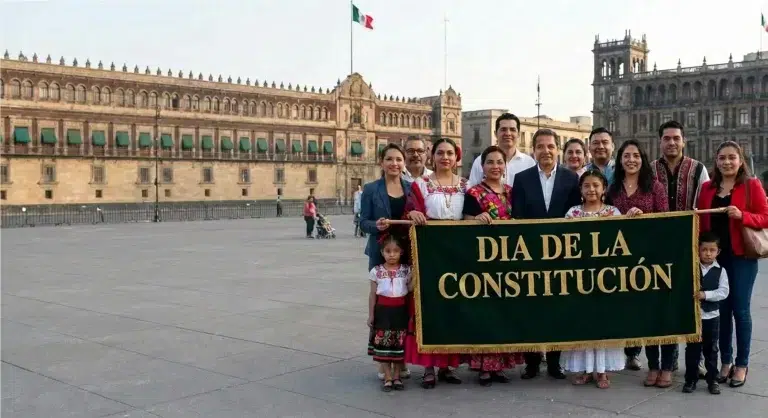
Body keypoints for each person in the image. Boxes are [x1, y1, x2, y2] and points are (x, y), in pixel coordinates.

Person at [696, 140, 768, 388]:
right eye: (722, 158)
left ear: (740, 161)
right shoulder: (707, 188)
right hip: (715, 258)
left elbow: (765, 217)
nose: (727, 162)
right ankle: (725, 361)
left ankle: (742, 363)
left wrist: (743, 215)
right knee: (721, 311)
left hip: (742, 257)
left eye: (732, 158)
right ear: (716, 161)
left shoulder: (751, 185)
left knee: (741, 310)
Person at [512, 128, 581, 380]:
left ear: (557, 149)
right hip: (530, 255)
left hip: (561, 256)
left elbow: (575, 214)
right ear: (534, 150)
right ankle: (531, 363)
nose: (546, 151)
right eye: (540, 146)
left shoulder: (571, 178)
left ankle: (555, 362)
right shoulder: (522, 179)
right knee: (531, 309)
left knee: (558, 310)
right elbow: (518, 217)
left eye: (550, 146)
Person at [605, 139, 671, 386]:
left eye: (636, 156)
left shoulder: (655, 187)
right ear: (620, 160)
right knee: (643, 317)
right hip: (624, 261)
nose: (631, 160)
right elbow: (606, 221)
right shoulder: (612, 189)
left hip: (652, 258)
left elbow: (666, 220)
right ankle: (652, 366)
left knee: (660, 314)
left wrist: (645, 217)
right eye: (626, 156)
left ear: (642, 160)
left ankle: (666, 367)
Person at [405, 137, 466, 388]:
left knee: (453, 309)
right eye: (440, 153)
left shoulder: (466, 185)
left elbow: (472, 213)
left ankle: (448, 366)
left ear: (456, 157)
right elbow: (409, 210)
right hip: (431, 254)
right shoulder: (421, 185)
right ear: (433, 157)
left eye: (449, 153)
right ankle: (429, 366)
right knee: (430, 309)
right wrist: (412, 213)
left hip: (458, 254)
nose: (445, 157)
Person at [461, 145, 525, 386]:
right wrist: (476, 219)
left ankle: (501, 366)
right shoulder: (474, 193)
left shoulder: (512, 192)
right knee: (485, 314)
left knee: (504, 315)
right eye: (490, 162)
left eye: (500, 162)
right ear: (482, 166)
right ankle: (483, 367)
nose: (495, 166)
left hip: (509, 262)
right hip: (483, 263)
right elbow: (465, 222)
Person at [650, 120, 709, 375]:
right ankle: (668, 361)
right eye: (666, 138)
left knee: (692, 304)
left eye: (676, 138)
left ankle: (698, 360)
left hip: (689, 246)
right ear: (660, 141)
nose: (671, 142)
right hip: (659, 248)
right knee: (664, 303)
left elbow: (704, 204)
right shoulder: (650, 170)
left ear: (683, 141)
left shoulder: (698, 169)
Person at [560, 168, 624, 389]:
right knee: (582, 322)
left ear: (604, 189)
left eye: (596, 185)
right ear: (580, 189)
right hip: (579, 277)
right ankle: (584, 369)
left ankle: (603, 370)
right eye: (586, 185)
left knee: (604, 323)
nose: (591, 189)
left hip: (606, 278)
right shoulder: (572, 214)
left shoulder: (614, 213)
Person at [359, 143, 413, 381]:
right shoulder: (371, 189)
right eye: (389, 159)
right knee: (382, 307)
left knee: (405, 307)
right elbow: (363, 222)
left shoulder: (412, 188)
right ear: (382, 162)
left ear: (404, 163)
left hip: (408, 253)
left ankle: (401, 359)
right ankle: (383, 361)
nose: (394, 163)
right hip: (381, 252)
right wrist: (376, 225)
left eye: (399, 159)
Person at [683, 231, 729, 395]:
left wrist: (706, 295)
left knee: (711, 350)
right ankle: (690, 380)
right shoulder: (692, 268)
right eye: (704, 250)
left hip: (711, 317)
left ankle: (712, 380)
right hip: (694, 317)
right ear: (698, 250)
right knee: (693, 350)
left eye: (712, 250)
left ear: (718, 252)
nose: (708, 253)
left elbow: (723, 292)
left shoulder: (720, 271)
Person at [367, 235, 413, 392]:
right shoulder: (376, 271)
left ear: (401, 252)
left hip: (400, 311)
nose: (392, 254)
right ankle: (387, 377)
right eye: (388, 251)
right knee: (384, 346)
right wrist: (371, 315)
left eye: (395, 251)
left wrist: (416, 276)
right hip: (383, 311)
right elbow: (373, 294)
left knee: (399, 345)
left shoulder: (406, 270)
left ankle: (397, 376)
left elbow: (411, 289)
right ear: (382, 252)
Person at [467, 113, 535, 188]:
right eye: (503, 129)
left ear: (518, 134)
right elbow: (472, 191)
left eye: (512, 130)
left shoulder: (529, 163)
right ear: (495, 133)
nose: (508, 133)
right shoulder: (480, 161)